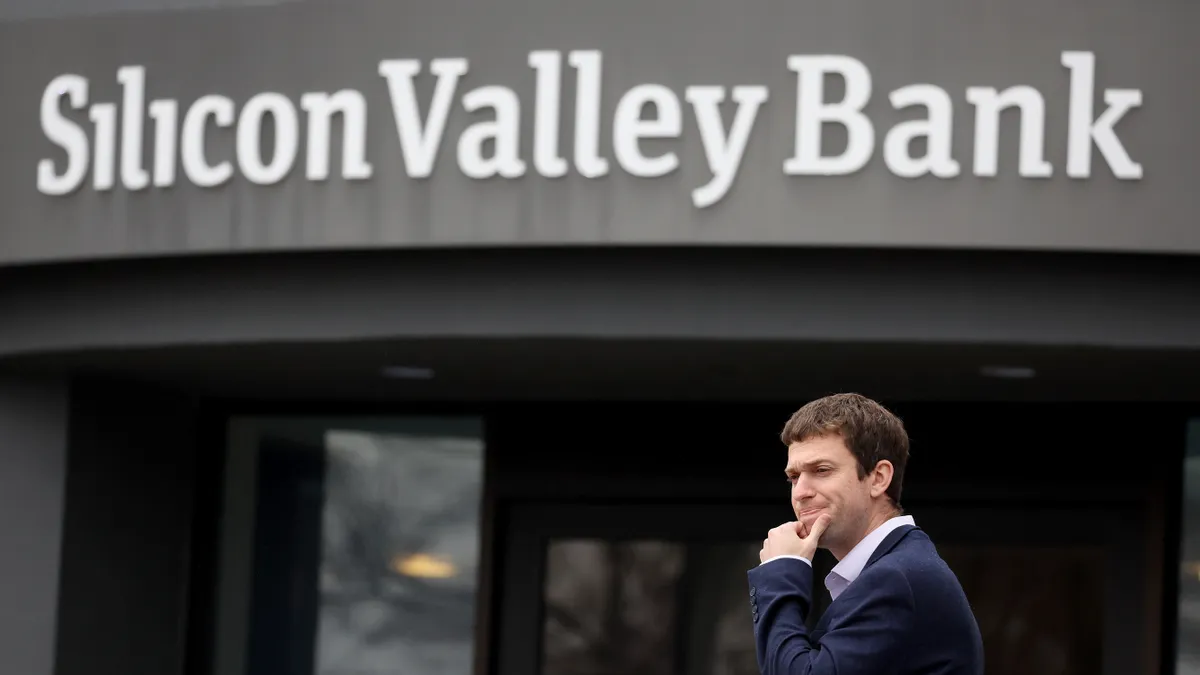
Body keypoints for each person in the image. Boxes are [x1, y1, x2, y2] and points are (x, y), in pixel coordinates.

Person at [748, 393, 984, 675]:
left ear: (879, 478)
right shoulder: (896, 568)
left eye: (821, 470)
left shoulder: (894, 578)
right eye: (794, 477)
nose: (800, 493)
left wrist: (780, 571)